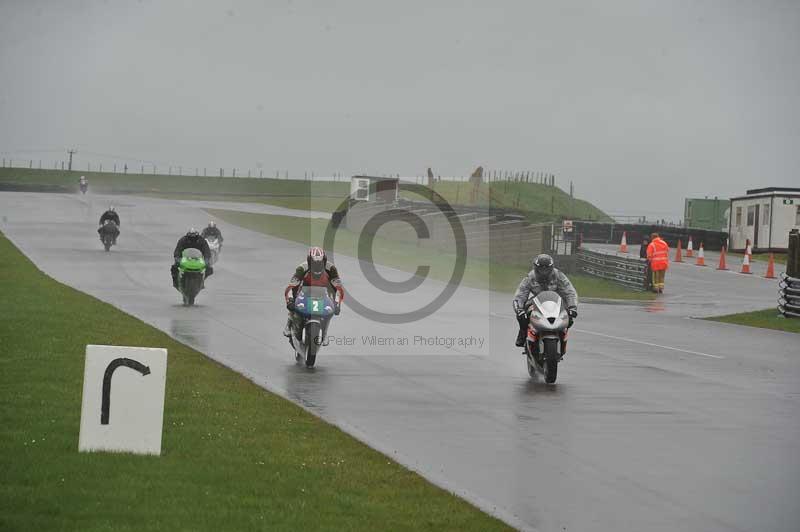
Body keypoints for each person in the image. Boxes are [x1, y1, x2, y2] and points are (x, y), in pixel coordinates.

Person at [512, 254, 578, 347]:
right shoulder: (530, 277)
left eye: (546, 269)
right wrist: (519, 309)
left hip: (556, 302)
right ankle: (523, 333)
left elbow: (570, 292)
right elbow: (520, 294)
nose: (543, 272)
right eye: (541, 269)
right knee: (523, 316)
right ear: (535, 268)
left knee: (569, 317)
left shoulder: (559, 275)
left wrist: (572, 307)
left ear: (551, 268)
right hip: (537, 300)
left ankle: (562, 337)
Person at [283, 246, 344, 345]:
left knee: (330, 309)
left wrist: (337, 304)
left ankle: (324, 333)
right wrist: (290, 301)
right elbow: (290, 287)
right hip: (304, 290)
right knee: (293, 297)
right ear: (309, 261)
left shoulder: (331, 269)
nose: (317, 265)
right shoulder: (302, 268)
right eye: (314, 263)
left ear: (324, 261)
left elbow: (339, 288)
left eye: (320, 262)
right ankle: (289, 322)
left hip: (324, 291)